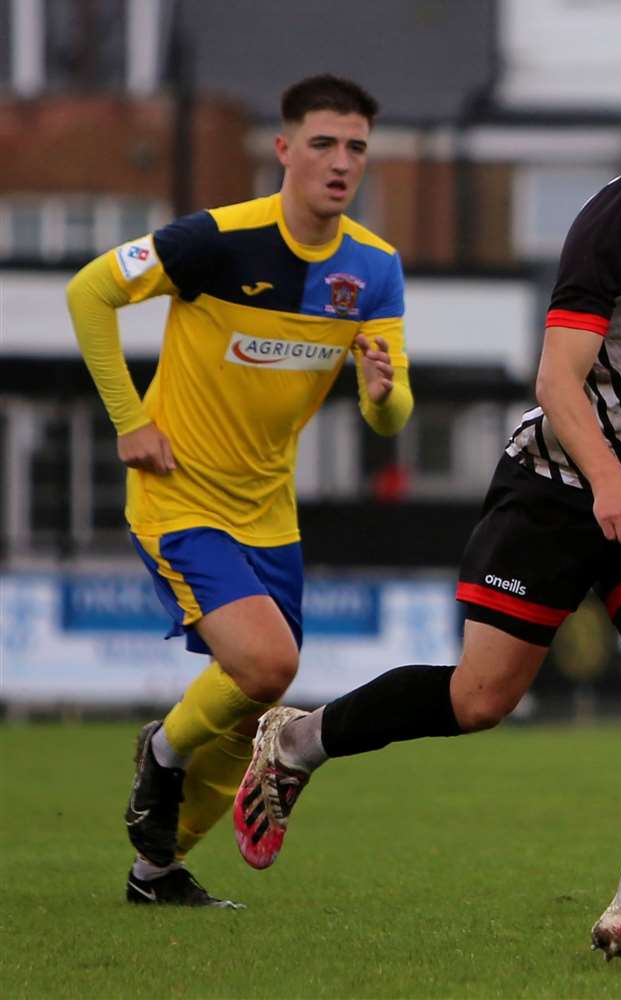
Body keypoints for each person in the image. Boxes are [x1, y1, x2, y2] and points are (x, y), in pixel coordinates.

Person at [229, 38, 621, 967]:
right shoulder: (615, 224)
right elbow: (557, 380)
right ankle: (298, 743)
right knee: (480, 700)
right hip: (557, 489)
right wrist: (604, 483)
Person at [65, 74, 411, 908]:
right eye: (322, 143)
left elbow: (394, 418)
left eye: (356, 147)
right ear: (283, 149)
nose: (340, 162)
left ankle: (155, 872)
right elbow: (90, 291)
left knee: (253, 710)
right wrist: (128, 421)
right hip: (178, 496)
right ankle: (162, 752)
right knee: (267, 664)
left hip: (270, 515)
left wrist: (376, 388)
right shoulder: (217, 239)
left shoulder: (373, 268)